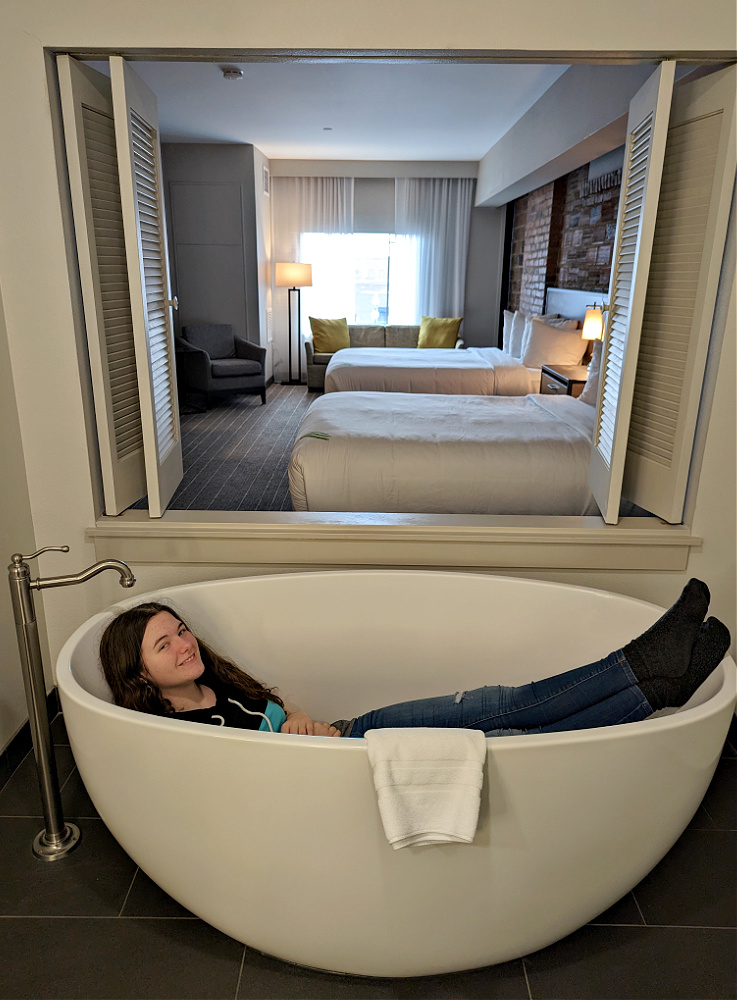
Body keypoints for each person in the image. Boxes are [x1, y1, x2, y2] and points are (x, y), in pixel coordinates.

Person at [98, 579, 731, 739]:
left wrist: (299, 720)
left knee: (501, 705)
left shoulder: (216, 688)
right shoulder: (183, 732)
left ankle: (648, 678)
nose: (186, 644)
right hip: (353, 757)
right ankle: (645, 678)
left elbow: (279, 718)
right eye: (166, 645)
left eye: (180, 630)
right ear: (140, 676)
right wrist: (300, 740)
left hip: (351, 732)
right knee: (510, 726)